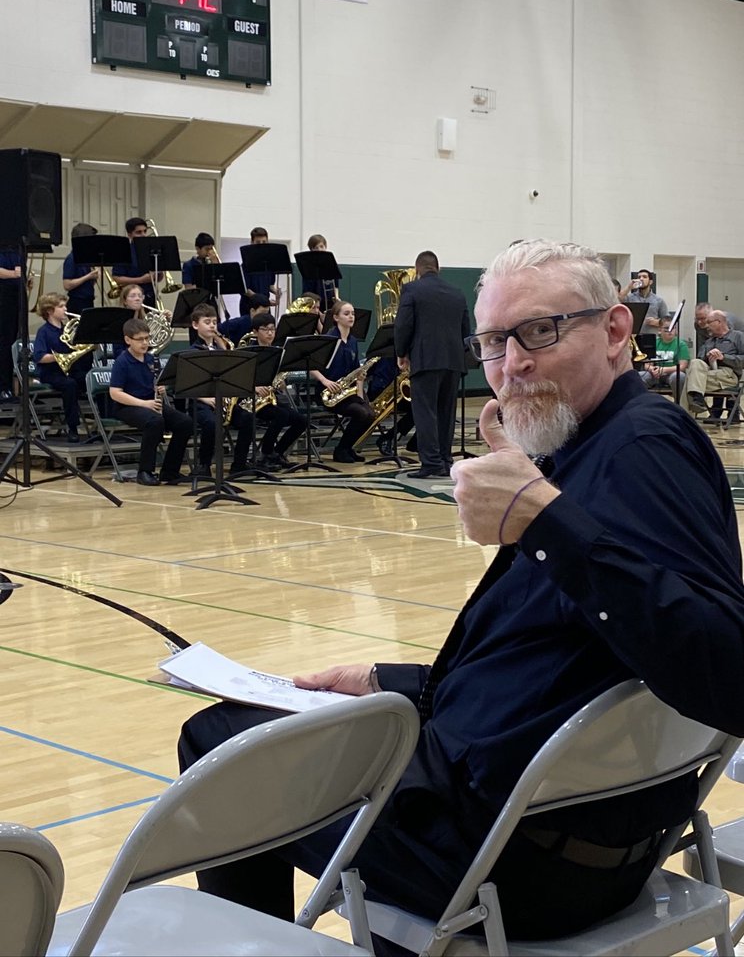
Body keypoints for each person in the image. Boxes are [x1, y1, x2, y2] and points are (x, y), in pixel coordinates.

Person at [178, 238, 744, 946]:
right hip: (568, 841)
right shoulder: (595, 447)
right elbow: (555, 666)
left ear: (616, 330)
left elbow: (729, 672)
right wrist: (391, 681)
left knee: (218, 741)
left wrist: (545, 520)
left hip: (507, 862)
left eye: (541, 331)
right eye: (495, 343)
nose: (514, 365)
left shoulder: (641, 450)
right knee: (283, 721)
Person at [394, 251, 470, 478]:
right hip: (454, 360)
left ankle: (431, 464)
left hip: (426, 359)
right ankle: (446, 460)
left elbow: (403, 325)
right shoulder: (457, 293)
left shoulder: (412, 290)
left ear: (417, 269)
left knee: (425, 412)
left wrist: (401, 352)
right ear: (439, 268)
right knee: (446, 413)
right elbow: (465, 328)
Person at [108, 318, 191, 486]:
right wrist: (144, 404)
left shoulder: (151, 359)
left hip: (150, 403)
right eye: (140, 339)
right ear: (127, 340)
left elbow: (156, 383)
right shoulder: (122, 362)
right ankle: (145, 471)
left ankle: (170, 471)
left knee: (185, 422)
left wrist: (161, 389)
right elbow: (115, 393)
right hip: (127, 406)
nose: (145, 343)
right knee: (155, 421)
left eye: (147, 338)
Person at [189, 304, 254, 479]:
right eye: (207, 322)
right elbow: (188, 385)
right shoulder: (192, 352)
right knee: (211, 423)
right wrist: (207, 399)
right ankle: (204, 465)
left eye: (215, 322)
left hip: (222, 401)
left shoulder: (221, 350)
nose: (212, 326)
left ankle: (239, 464)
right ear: (195, 325)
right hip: (200, 403)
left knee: (248, 418)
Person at [312, 300, 375, 464]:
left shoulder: (353, 341)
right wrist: (325, 381)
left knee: (370, 414)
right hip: (329, 392)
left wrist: (360, 393)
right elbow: (311, 366)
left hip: (347, 392)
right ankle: (340, 450)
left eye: (352, 313)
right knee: (361, 413)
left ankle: (348, 448)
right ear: (336, 317)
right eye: (346, 314)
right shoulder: (328, 339)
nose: (351, 317)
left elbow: (356, 372)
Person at [246, 312, 304, 469]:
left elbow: (279, 377)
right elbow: (240, 379)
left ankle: (277, 453)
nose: (270, 333)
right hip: (250, 400)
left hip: (270, 399)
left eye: (272, 329)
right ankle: (265, 454)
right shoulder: (248, 352)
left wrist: (281, 384)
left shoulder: (277, 352)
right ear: (255, 332)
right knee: (282, 415)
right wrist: (255, 387)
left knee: (302, 421)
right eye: (265, 329)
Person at [32, 292, 92, 442]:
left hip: (71, 370)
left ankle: (105, 422)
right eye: (61, 306)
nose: (65, 309)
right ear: (50, 311)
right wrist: (60, 358)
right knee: (69, 385)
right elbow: (39, 357)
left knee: (90, 379)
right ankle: (73, 428)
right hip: (51, 373)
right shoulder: (43, 332)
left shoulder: (68, 329)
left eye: (65, 305)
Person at [681, 309, 744, 420]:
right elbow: (699, 361)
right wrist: (707, 356)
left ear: (719, 322)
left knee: (688, 380)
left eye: (709, 322)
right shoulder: (709, 342)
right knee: (695, 363)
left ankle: (684, 417)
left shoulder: (738, 336)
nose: (706, 326)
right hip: (708, 372)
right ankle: (695, 401)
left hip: (728, 375)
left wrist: (723, 357)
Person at [112, 217, 161, 308]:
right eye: (139, 232)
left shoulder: (151, 251)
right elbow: (117, 277)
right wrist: (140, 280)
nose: (143, 235)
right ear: (130, 234)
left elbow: (158, 278)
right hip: (131, 298)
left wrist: (160, 272)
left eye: (145, 231)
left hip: (150, 295)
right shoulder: (123, 252)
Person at [638, 315, 689, 396]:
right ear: (659, 330)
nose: (670, 331)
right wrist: (653, 369)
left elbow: (682, 367)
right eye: (666, 328)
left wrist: (663, 370)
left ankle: (679, 404)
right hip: (655, 374)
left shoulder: (681, 344)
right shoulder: (654, 342)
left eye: (673, 328)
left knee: (679, 376)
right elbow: (647, 364)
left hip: (672, 374)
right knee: (638, 376)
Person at [239, 227, 282, 314]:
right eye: (258, 242)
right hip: (249, 307)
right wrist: (261, 300)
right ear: (252, 243)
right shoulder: (245, 265)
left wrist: (276, 292)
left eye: (264, 242)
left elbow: (270, 286)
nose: (262, 245)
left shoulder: (269, 264)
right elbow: (245, 289)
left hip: (265, 307)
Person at [62, 223, 100, 317]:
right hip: (77, 302)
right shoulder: (71, 258)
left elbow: (89, 283)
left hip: (88, 300)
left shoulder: (86, 258)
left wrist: (94, 277)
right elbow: (67, 284)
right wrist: (88, 276)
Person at [0, 244, 22, 401]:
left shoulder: (16, 249)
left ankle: (12, 387)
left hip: (16, 296)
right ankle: (3, 387)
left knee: (14, 342)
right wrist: (15, 274)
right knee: (4, 343)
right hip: (3, 297)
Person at [301, 233, 340, 313]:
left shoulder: (331, 264)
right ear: (311, 250)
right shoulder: (308, 268)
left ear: (325, 247)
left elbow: (336, 285)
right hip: (315, 305)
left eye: (321, 246)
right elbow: (307, 292)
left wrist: (336, 297)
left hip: (329, 303)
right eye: (316, 248)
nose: (319, 250)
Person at [621, 269, 667, 336]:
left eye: (644, 277)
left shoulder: (659, 300)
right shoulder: (629, 298)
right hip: (633, 336)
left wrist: (658, 322)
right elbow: (617, 300)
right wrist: (629, 287)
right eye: (639, 277)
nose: (641, 279)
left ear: (650, 282)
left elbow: (667, 320)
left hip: (651, 337)